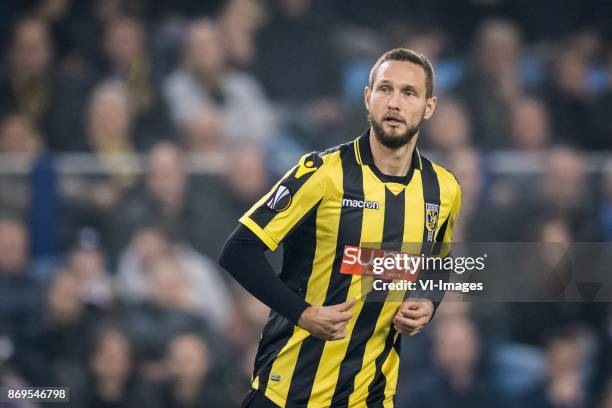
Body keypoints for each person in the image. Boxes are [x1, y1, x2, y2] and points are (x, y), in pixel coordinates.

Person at [219, 48, 462, 407]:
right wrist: (304, 314)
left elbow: (438, 264)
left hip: (372, 395)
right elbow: (238, 251)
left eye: (409, 93)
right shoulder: (323, 172)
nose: (394, 102)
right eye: (385, 89)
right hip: (289, 393)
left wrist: (427, 301)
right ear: (368, 98)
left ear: (429, 106)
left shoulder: (443, 189)